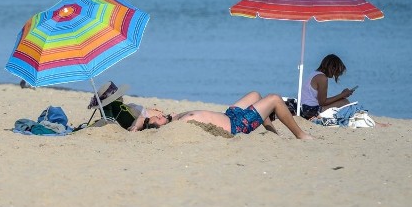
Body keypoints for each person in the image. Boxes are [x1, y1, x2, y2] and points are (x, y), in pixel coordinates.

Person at [128, 91, 313, 140]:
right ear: (159, 127)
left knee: (255, 94)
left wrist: (139, 124)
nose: (160, 115)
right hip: (237, 125)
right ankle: (301, 135)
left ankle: (273, 134)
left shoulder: (172, 118)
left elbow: (145, 113)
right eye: (157, 120)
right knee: (274, 99)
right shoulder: (177, 126)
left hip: (229, 114)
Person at [299, 54, 355, 119]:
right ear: (332, 68)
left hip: (304, 107)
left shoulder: (314, 73)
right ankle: (320, 116)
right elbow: (323, 102)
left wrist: (342, 95)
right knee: (345, 102)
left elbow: (321, 100)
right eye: (336, 71)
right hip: (310, 110)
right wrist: (342, 95)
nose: (335, 75)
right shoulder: (322, 78)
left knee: (343, 100)